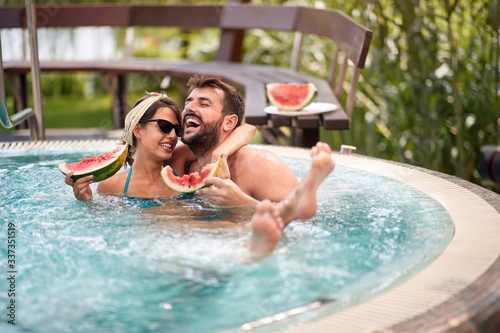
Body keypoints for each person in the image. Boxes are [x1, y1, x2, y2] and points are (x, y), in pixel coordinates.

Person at [65, 92, 256, 201]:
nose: (173, 136)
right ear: (138, 130)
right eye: (164, 127)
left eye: (177, 129)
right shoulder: (111, 185)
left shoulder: (179, 160)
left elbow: (247, 129)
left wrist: (219, 154)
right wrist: (87, 203)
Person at [179, 73, 299, 206]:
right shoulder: (189, 168)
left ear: (229, 122)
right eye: (188, 102)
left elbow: (302, 215)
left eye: (204, 104)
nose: (188, 108)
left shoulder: (261, 164)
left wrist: (243, 203)